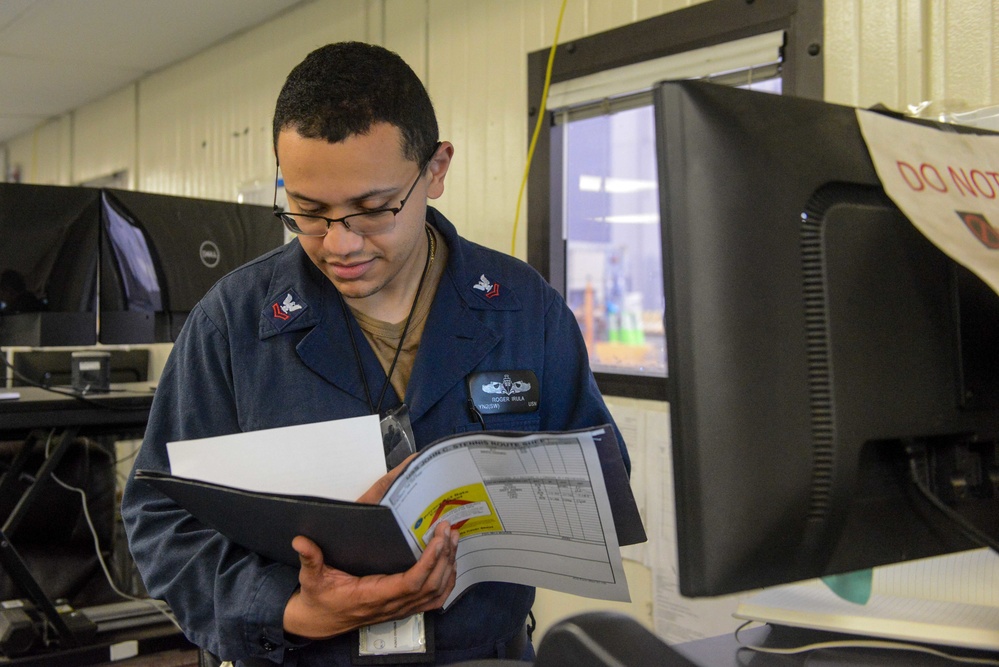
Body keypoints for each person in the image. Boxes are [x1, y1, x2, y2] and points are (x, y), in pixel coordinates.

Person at [121, 41, 629, 666]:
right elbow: (160, 517)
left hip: (482, 653)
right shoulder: (233, 323)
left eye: (372, 210)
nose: (340, 243)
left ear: (436, 170)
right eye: (307, 213)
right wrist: (286, 607)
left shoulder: (523, 309)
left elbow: (602, 484)